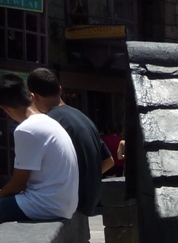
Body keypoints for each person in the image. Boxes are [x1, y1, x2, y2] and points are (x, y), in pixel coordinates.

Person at [26, 67, 113, 217]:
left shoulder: (49, 122)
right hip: (89, 201)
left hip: (69, 202)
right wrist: (87, 179)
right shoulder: (82, 117)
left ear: (33, 97)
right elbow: (108, 161)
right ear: (60, 89)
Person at [0, 73, 78, 224]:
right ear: (30, 96)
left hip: (44, 205)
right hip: (64, 205)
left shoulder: (26, 129)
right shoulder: (51, 122)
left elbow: (18, 184)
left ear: (5, 109)